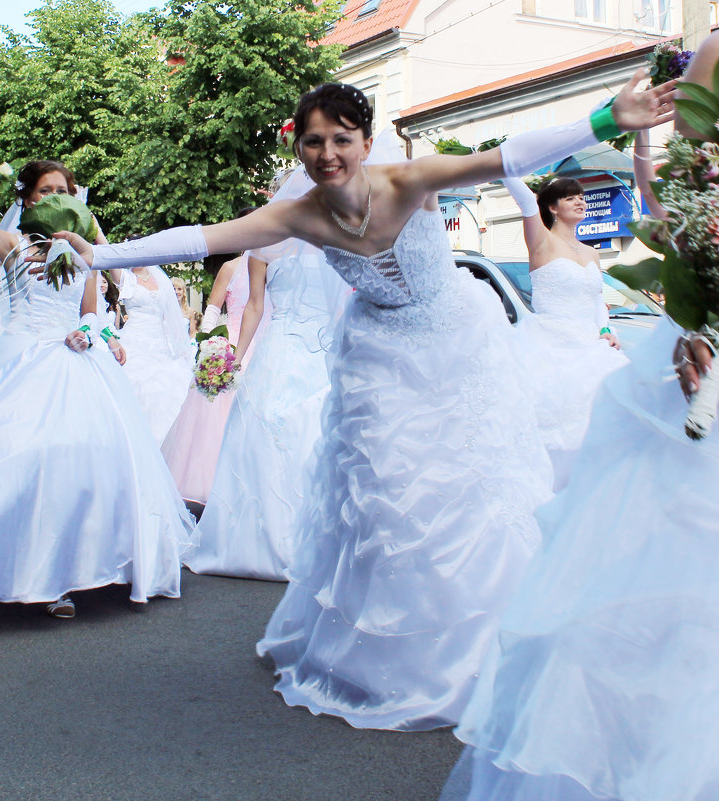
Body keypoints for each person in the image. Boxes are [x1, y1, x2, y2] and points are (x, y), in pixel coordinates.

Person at [47, 75, 675, 729]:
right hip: (377, 358)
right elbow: (206, 237)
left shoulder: (406, 180)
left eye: (340, 139)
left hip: (453, 344)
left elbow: (508, 157)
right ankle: (383, 647)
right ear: (301, 151)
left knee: (467, 492)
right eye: (313, 141)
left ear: (365, 141)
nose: (327, 153)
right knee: (382, 496)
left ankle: (486, 638)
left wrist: (605, 120)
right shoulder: (299, 213)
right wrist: (100, 255)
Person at [439, 33, 719, 801]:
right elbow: (680, 204)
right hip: (683, 366)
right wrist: (627, 133)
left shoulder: (594, 257)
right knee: (636, 582)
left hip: (613, 347)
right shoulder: (714, 52)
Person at [0, 159, 194, 619]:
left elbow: (90, 311)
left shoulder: (84, 252)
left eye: (63, 189)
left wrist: (89, 334)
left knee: (80, 459)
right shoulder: (14, 245)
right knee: (15, 456)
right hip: (20, 360)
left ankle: (70, 571)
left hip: (74, 362)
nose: (55, 196)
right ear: (28, 199)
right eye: (45, 190)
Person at [187, 175, 352, 580]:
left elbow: (344, 303)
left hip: (321, 350)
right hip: (277, 348)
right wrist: (235, 358)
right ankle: (259, 539)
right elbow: (256, 308)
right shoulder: (265, 243)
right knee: (264, 433)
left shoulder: (336, 237)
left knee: (314, 435)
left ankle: (318, 539)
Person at [501, 175, 628, 488]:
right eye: (571, 197)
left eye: (582, 196)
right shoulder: (541, 241)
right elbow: (526, 201)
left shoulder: (592, 254)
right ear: (552, 207)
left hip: (589, 345)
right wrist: (504, 164)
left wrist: (605, 329)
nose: (580, 201)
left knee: (602, 422)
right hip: (549, 344)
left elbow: (596, 297)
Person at [161, 208, 260, 505]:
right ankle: (214, 480)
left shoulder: (275, 265)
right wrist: (211, 344)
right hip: (230, 342)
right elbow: (213, 309)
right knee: (214, 418)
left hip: (262, 342)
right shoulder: (231, 267)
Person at [115, 264, 196, 443]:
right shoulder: (125, 277)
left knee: (167, 387)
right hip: (134, 339)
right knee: (136, 386)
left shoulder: (160, 278)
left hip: (160, 342)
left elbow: (169, 316)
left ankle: (171, 443)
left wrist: (179, 346)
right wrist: (96, 234)